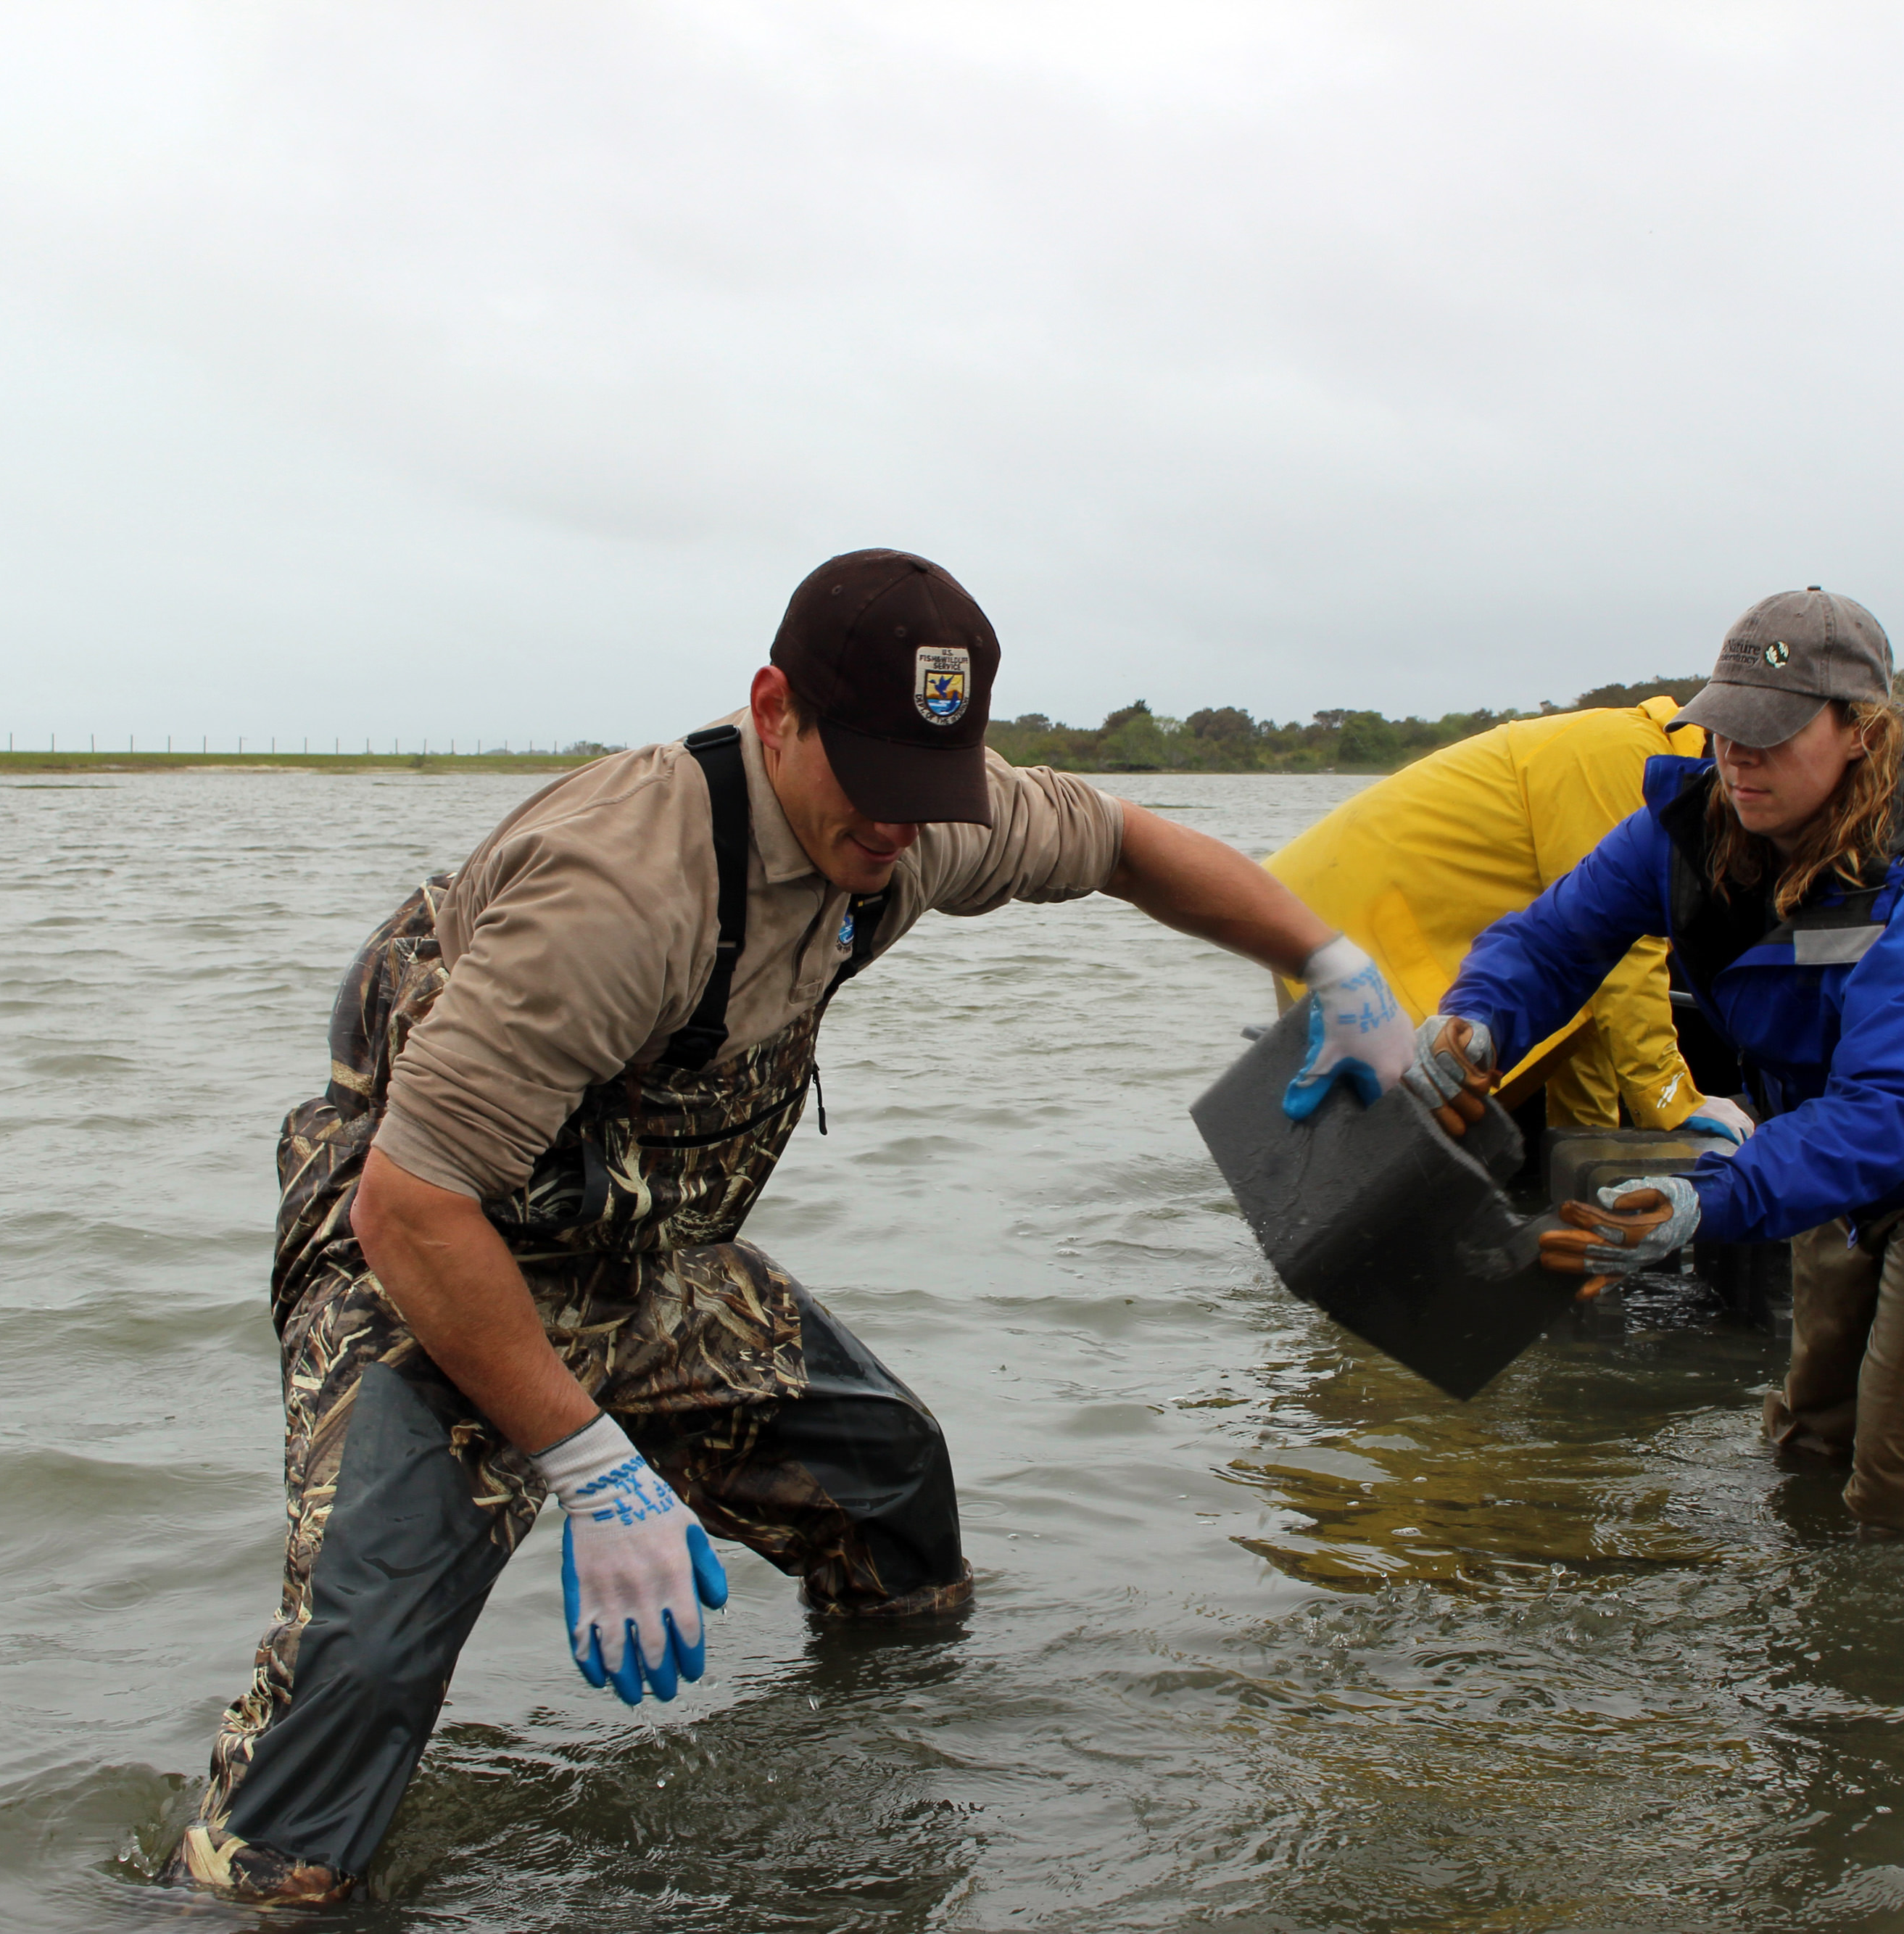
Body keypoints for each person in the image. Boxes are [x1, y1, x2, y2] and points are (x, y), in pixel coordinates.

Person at [169, 550, 1415, 1903]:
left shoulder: (924, 816)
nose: (895, 830)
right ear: (775, 711)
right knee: (353, 1697)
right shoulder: (619, 892)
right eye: (869, 781)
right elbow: (409, 1209)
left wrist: (1324, 959)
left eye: (926, 791)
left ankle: (862, 1792)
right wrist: (591, 1465)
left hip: (643, 1264)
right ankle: (244, 1894)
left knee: (890, 1497)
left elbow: (1123, 843)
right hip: (426, 1266)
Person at [1402, 589, 1904, 1534]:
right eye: (1725, 728)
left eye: (1771, 734)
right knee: (1808, 1435)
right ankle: (1803, 1645)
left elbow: (1893, 1106)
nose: (1736, 757)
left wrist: (1709, 1195)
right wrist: (1477, 1022)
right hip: (1823, 1150)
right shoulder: (1689, 829)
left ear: (1861, 730)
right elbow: (1553, 941)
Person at [1264, 698, 1750, 1140]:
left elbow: (1596, 976)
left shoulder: (1653, 754)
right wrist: (1670, 1097)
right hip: (1341, 921)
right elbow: (1627, 962)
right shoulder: (1628, 753)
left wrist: (1588, 1147)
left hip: (1323, 909)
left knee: (1361, 1139)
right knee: (1383, 1138)